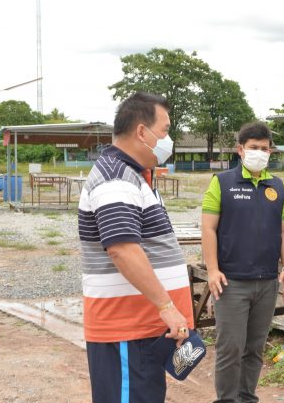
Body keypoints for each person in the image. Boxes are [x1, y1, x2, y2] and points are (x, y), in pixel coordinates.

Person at [78, 92, 194, 403]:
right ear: (142, 132)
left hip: (141, 330)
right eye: (165, 131)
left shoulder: (134, 176)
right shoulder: (116, 179)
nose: (168, 140)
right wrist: (167, 307)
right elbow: (123, 250)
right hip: (127, 330)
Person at [201, 121, 284, 403]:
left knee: (254, 349)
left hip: (267, 282)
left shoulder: (277, 186)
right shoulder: (222, 182)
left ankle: (247, 397)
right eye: (254, 147)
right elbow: (208, 229)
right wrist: (212, 270)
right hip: (231, 283)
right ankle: (226, 399)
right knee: (230, 348)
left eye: (265, 149)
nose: (260, 153)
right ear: (240, 150)